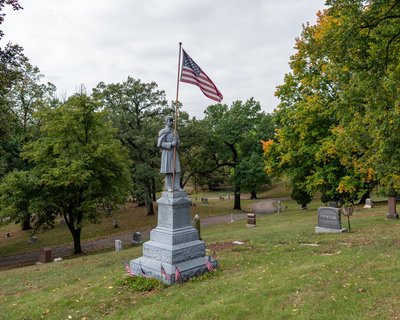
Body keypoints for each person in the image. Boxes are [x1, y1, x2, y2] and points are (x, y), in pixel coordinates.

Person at [157, 116, 182, 192]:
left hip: (174, 153)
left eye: (172, 121)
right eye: (170, 121)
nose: (172, 123)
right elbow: (161, 143)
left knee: (177, 170)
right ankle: (168, 186)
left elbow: (178, 143)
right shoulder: (162, 132)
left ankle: (176, 186)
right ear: (166, 122)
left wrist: (176, 142)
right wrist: (171, 144)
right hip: (167, 153)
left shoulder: (175, 132)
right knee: (168, 170)